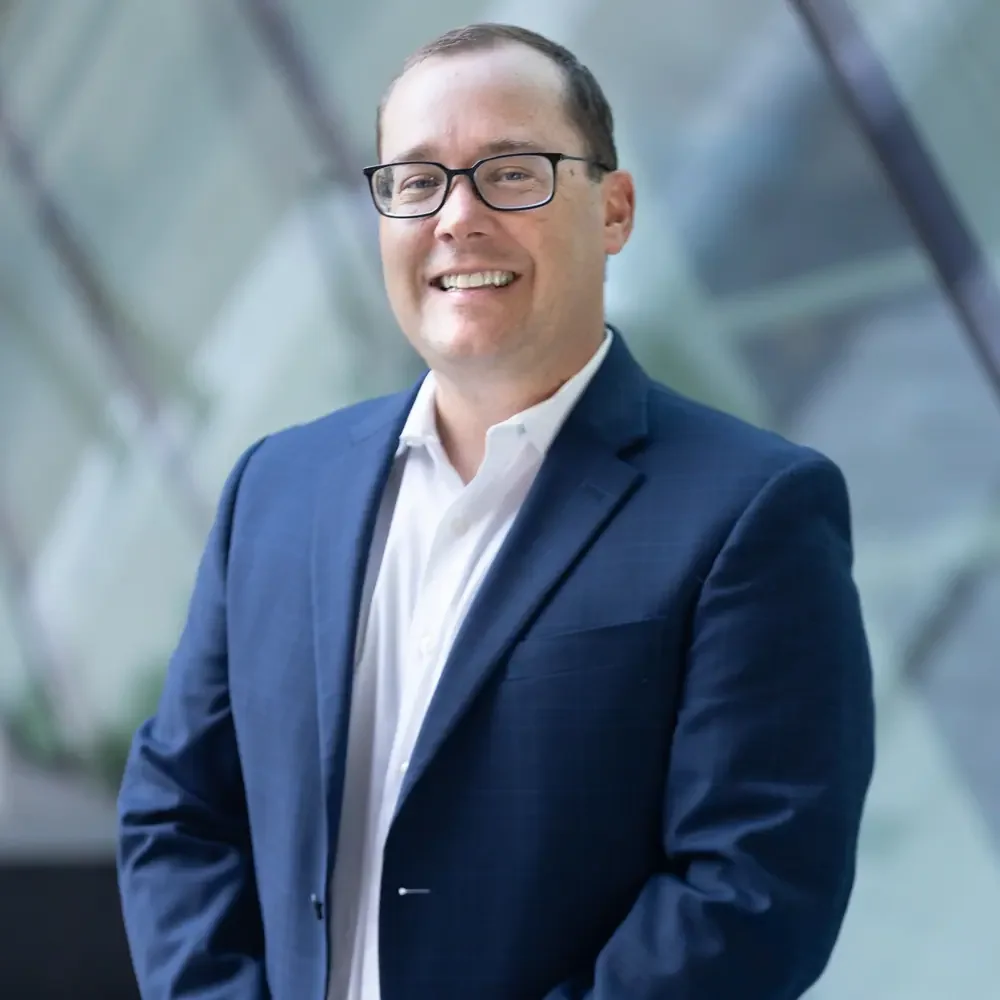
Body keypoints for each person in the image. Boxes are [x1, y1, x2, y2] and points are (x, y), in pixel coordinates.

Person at [117, 22, 875, 1000]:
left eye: (512, 173)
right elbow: (177, 806)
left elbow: (750, 890)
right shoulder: (276, 487)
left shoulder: (752, 513)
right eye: (416, 180)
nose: (457, 217)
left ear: (614, 209)